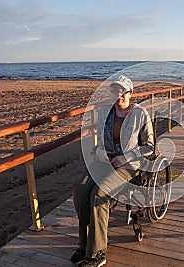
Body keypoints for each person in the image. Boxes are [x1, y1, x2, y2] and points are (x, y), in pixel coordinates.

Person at [72, 75, 154, 267]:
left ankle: (97, 253)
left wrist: (126, 157)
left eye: (123, 91)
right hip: (105, 162)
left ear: (130, 93)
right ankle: (83, 245)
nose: (119, 95)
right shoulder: (104, 112)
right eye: (114, 91)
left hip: (128, 166)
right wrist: (99, 150)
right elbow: (100, 140)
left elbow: (149, 147)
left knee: (98, 194)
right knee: (81, 192)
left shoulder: (140, 113)